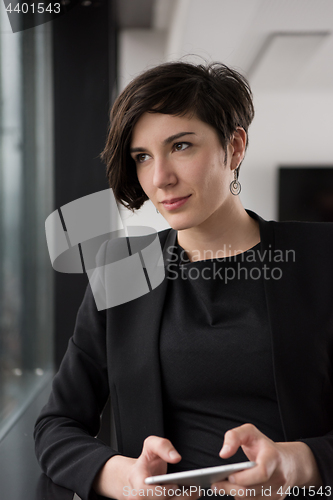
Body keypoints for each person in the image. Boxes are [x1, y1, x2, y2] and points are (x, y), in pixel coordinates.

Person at [34, 61, 333, 500]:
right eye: (142, 157)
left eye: (181, 146)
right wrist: (127, 477)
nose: (160, 179)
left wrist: (298, 463)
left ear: (234, 147)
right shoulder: (121, 268)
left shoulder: (322, 257)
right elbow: (56, 425)